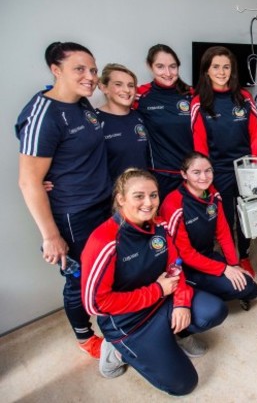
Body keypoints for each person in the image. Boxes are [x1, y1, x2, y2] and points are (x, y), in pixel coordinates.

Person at [82, 169, 226, 395]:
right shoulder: (105, 241)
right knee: (183, 385)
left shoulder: (160, 227)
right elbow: (95, 305)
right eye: (139, 196)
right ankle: (117, 352)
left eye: (154, 195)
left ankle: (175, 333)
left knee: (214, 310)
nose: (148, 203)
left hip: (164, 302)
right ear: (121, 199)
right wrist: (158, 290)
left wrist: (181, 304)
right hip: (130, 323)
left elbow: (175, 268)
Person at [16, 41, 112, 359]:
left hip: (103, 203)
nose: (89, 76)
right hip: (73, 214)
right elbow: (28, 180)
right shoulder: (44, 114)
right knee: (80, 279)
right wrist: (51, 236)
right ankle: (84, 336)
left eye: (93, 70)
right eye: (80, 69)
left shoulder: (83, 104)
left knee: (107, 269)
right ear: (56, 70)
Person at [190, 46, 257, 275]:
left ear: (232, 70)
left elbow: (255, 136)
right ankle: (230, 260)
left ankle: (243, 255)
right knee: (224, 219)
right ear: (206, 71)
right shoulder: (199, 102)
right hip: (218, 171)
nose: (222, 72)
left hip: (246, 169)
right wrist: (204, 177)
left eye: (226, 67)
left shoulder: (244, 97)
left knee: (247, 216)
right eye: (216, 67)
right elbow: (199, 145)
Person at [160, 152, 257, 303]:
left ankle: (208, 289)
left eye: (208, 170)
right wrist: (224, 269)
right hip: (184, 267)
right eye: (196, 172)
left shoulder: (213, 194)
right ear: (184, 174)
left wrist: (234, 265)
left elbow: (224, 234)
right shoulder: (174, 204)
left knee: (250, 288)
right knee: (230, 296)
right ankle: (193, 291)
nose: (204, 177)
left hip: (207, 256)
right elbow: (185, 254)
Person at [134, 44, 194, 201]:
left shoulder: (192, 94)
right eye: (160, 67)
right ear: (150, 66)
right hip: (160, 174)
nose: (167, 73)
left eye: (172, 67)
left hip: (191, 173)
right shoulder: (140, 95)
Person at [96, 63, 150, 183]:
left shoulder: (140, 116)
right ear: (104, 87)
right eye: (118, 84)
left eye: (131, 86)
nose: (126, 90)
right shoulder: (94, 121)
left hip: (141, 191)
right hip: (112, 195)